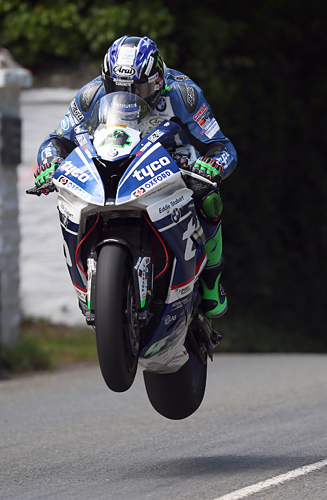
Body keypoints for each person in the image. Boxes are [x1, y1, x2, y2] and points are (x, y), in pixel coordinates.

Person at [34, 35, 238, 319]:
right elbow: (57, 139)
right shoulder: (90, 95)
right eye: (117, 88)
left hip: (173, 162)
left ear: (158, 80)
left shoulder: (183, 94)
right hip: (114, 161)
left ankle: (210, 281)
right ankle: (86, 286)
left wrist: (212, 165)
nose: (130, 95)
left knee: (207, 197)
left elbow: (220, 145)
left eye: (139, 87)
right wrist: (50, 161)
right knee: (67, 201)